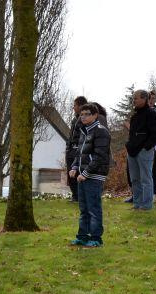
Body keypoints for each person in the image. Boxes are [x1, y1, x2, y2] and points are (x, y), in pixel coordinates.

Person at [68, 104, 111, 248]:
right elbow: (80, 153)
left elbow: (100, 156)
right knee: (84, 209)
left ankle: (96, 238)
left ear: (95, 115)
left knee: (93, 208)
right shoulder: (83, 131)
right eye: (81, 114)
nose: (83, 117)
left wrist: (86, 173)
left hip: (94, 175)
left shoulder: (101, 131)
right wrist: (75, 167)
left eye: (87, 114)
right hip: (82, 175)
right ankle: (82, 236)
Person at [125, 89, 156, 210]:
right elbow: (132, 134)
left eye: (136, 98)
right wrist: (129, 145)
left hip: (144, 151)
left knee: (146, 179)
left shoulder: (152, 114)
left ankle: (146, 205)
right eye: (133, 98)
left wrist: (146, 148)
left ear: (144, 99)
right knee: (134, 179)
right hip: (132, 151)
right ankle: (137, 204)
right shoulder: (134, 116)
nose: (133, 100)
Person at [65, 96, 89, 202]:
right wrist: (68, 146)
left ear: (80, 106)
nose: (73, 107)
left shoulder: (86, 119)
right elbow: (71, 135)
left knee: (78, 172)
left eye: (75, 105)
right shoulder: (74, 119)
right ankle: (75, 195)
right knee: (70, 172)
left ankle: (80, 196)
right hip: (70, 149)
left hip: (79, 149)